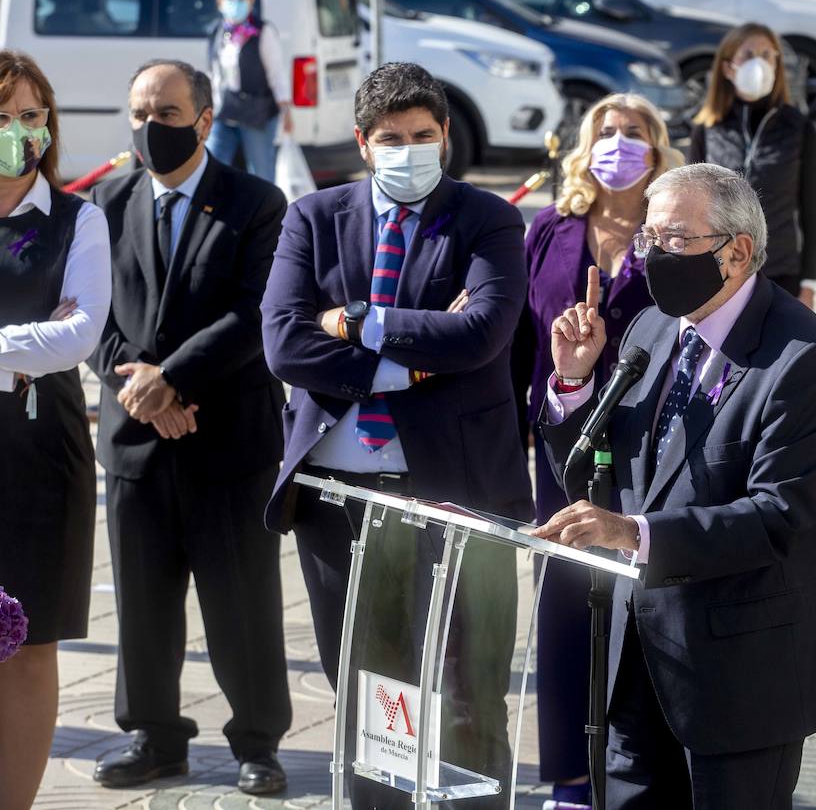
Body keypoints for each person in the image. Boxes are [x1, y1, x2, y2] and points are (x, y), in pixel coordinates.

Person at [533, 162, 816, 808]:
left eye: (675, 241)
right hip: (635, 658)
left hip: (739, 674)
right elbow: (598, 471)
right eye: (649, 239)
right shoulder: (651, 329)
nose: (653, 256)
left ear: (738, 252)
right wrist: (573, 387)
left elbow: (777, 516)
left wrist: (634, 533)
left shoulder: (802, 360)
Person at [260, 62, 532, 809]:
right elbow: (284, 345)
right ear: (362, 142)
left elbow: (481, 334)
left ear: (445, 136)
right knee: (371, 693)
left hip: (457, 490)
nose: (408, 149)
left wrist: (357, 323)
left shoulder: (487, 219)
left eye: (422, 135)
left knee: (468, 690)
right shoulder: (312, 218)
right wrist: (405, 369)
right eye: (390, 138)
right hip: (337, 496)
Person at [87, 59, 292, 795]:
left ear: (205, 121)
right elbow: (89, 314)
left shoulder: (258, 204)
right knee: (142, 603)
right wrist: (142, 386)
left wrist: (172, 378)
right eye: (140, 113)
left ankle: (257, 743)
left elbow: (255, 313)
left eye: (168, 115)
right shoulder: (105, 204)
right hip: (138, 438)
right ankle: (152, 735)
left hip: (229, 437)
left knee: (242, 600)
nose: (151, 128)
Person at [515, 93, 683, 808]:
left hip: (648, 447)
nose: (619, 143)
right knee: (565, 605)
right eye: (607, 132)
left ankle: (636, 765)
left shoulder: (671, 230)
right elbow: (521, 333)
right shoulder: (553, 227)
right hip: (563, 437)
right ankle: (571, 776)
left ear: (657, 146)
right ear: (587, 145)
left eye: (634, 133)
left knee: (639, 606)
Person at [0, 50, 110, 810]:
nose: (18, 131)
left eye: (31, 115)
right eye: (3, 115)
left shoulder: (79, 218)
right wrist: (23, 342)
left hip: (39, 456)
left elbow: (79, 334)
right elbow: (48, 333)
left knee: (27, 645)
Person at [686, 23, 816, 306]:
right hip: (717, 272)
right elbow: (690, 206)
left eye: (766, 54)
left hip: (781, 273)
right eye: (747, 55)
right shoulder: (708, 129)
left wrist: (808, 284)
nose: (758, 63)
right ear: (727, 68)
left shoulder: (798, 128)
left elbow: (812, 212)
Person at [205, 0, 292, 180]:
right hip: (225, 110)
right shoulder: (217, 31)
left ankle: (267, 213)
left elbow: (276, 73)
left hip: (257, 112)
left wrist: (286, 109)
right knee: (211, 166)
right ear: (219, 1)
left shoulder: (263, 32)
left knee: (261, 173)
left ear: (251, 0)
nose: (235, 2)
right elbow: (214, 73)